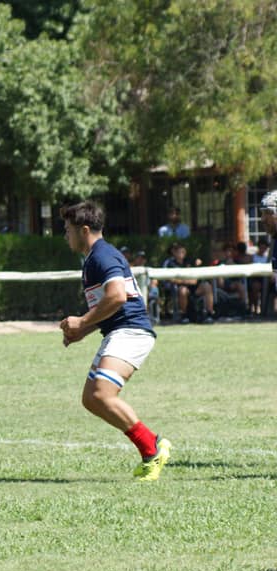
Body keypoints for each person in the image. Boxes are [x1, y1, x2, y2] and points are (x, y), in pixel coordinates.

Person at [59, 201, 171, 482]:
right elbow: (109, 306)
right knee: (91, 399)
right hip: (120, 331)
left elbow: (118, 296)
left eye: (68, 230)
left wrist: (82, 322)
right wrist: (81, 331)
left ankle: (152, 448)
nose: (65, 236)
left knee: (101, 395)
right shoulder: (94, 258)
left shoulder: (102, 256)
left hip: (131, 332)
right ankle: (151, 447)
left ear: (84, 230)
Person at [160, 243, 214, 323]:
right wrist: (185, 281)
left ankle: (209, 314)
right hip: (179, 289)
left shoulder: (189, 261)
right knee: (183, 290)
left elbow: (196, 277)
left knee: (207, 286)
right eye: (178, 250)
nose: (182, 252)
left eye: (183, 250)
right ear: (173, 252)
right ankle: (184, 316)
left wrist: (193, 279)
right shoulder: (169, 263)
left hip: (194, 287)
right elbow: (169, 279)